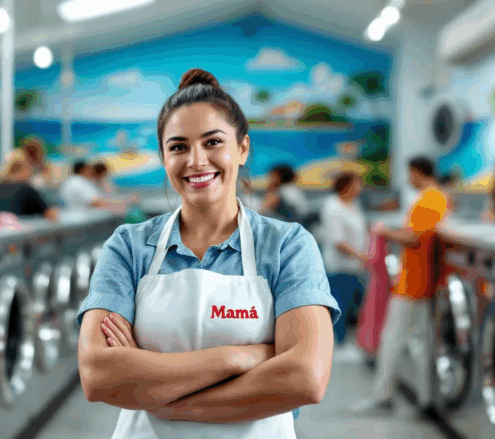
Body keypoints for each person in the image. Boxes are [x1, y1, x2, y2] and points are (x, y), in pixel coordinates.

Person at [76, 68, 339, 437]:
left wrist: (158, 388)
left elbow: (305, 378)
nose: (196, 161)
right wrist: (239, 357)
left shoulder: (286, 245)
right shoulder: (129, 247)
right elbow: (99, 376)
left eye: (213, 142)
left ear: (242, 148)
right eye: (178, 146)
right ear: (164, 158)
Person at [350, 156, 450, 416]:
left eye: (410, 174)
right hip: (421, 281)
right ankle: (427, 398)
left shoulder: (430, 200)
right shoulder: (434, 199)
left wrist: (384, 232)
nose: (408, 180)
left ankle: (383, 396)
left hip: (414, 284)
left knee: (393, 339)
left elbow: (413, 237)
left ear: (418, 172)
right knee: (421, 343)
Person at [321, 172, 369, 344]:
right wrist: (361, 255)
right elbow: (338, 241)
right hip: (339, 266)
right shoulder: (332, 206)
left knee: (354, 305)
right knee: (339, 308)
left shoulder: (354, 204)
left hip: (356, 266)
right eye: (357, 184)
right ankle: (335, 343)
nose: (360, 188)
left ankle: (346, 341)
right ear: (345, 186)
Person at [0, 149, 60, 221]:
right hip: (23, 230)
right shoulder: (26, 189)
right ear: (23, 168)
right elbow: (51, 214)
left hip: (3, 231)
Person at [60, 160, 136, 213]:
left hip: (77, 214)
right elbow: (95, 202)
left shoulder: (71, 181)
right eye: (89, 169)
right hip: (82, 218)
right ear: (83, 169)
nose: (91, 172)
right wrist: (122, 204)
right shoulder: (79, 182)